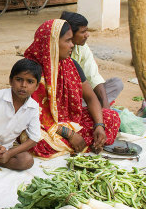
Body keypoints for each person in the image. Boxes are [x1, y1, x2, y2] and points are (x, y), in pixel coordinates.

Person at [24, 19, 120, 158]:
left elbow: (91, 98)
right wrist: (70, 134)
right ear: (52, 43)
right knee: (36, 140)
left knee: (111, 118)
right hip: (42, 124)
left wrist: (99, 125)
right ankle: (80, 143)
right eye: (68, 41)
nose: (72, 45)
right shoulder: (31, 69)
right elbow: (34, 115)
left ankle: (78, 143)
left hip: (70, 120)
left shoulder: (71, 65)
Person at [60, 11, 124, 109]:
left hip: (80, 96)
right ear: (70, 33)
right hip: (61, 98)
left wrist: (105, 108)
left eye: (87, 30)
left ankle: (93, 106)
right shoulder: (56, 50)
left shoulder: (82, 47)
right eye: (83, 32)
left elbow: (93, 76)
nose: (87, 35)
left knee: (116, 84)